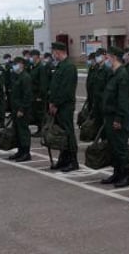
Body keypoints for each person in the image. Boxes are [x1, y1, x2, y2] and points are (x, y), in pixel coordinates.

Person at [99, 46, 129, 187]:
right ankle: (117, 173)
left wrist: (119, 119)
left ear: (114, 58)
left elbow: (123, 101)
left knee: (121, 147)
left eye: (108, 57)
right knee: (113, 147)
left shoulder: (122, 75)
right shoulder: (113, 74)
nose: (106, 60)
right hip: (109, 116)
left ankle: (127, 175)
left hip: (117, 117)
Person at [48, 42, 79, 172]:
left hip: (65, 106)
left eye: (54, 52)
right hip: (58, 106)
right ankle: (63, 159)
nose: (53, 54)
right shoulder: (61, 66)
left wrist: (56, 104)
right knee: (61, 134)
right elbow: (55, 87)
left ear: (59, 52)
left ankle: (73, 161)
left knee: (68, 134)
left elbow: (66, 90)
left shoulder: (69, 67)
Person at [8, 57, 33, 162]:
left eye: (16, 64)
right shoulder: (17, 76)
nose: (14, 66)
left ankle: (26, 153)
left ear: (21, 64)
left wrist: (22, 109)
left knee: (23, 131)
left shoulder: (25, 77)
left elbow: (27, 95)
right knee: (17, 131)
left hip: (22, 109)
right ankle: (20, 151)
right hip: (15, 108)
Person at [87, 49, 108, 131]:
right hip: (95, 100)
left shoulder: (107, 70)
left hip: (102, 101)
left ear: (104, 56)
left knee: (104, 125)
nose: (97, 58)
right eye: (96, 56)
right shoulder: (96, 69)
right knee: (98, 123)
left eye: (99, 55)